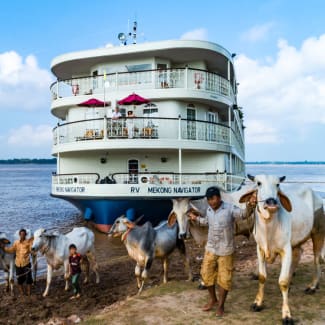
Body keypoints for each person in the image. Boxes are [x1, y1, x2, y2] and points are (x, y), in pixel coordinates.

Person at [188, 186, 257, 318]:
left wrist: (250, 206)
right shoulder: (208, 210)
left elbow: (243, 214)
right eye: (208, 200)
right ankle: (213, 299)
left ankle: (221, 305)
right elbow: (206, 222)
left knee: (224, 279)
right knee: (206, 275)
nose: (211, 202)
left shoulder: (230, 208)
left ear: (219, 198)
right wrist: (195, 218)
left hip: (226, 250)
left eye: (213, 199)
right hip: (211, 248)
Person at [1, 229, 34, 296]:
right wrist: (4, 247)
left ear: (25, 235)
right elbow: (11, 250)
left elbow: (32, 250)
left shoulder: (28, 243)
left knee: (29, 279)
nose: (22, 235)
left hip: (26, 262)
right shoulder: (16, 242)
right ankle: (22, 293)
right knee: (19, 280)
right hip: (18, 263)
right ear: (19, 235)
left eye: (23, 234)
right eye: (21, 234)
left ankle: (29, 293)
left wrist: (33, 248)